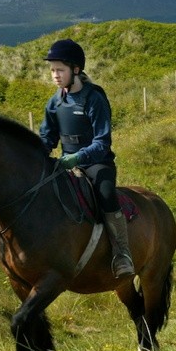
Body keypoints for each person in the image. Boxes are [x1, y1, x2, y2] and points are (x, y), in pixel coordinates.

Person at [39, 38, 134, 278]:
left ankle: (122, 254)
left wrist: (77, 158)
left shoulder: (94, 99)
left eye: (60, 70)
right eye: (52, 70)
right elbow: (47, 138)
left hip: (96, 163)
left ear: (76, 70)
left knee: (106, 193)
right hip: (65, 164)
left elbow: (102, 142)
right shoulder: (55, 101)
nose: (55, 75)